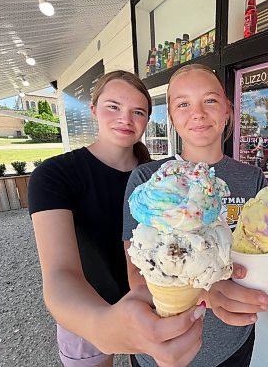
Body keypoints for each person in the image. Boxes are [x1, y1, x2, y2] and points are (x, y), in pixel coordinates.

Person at [123, 64, 268, 367]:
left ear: (227, 112)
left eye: (210, 100)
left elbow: (257, 253)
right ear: (171, 117)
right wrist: (206, 293)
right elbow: (136, 275)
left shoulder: (252, 178)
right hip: (164, 350)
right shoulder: (149, 180)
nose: (197, 112)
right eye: (183, 103)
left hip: (233, 344)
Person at [29, 70, 206, 367]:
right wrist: (104, 325)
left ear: (147, 120)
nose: (125, 118)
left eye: (137, 111)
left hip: (156, 304)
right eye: (113, 106)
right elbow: (60, 274)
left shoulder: (160, 178)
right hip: (85, 312)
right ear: (93, 109)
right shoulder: (54, 175)